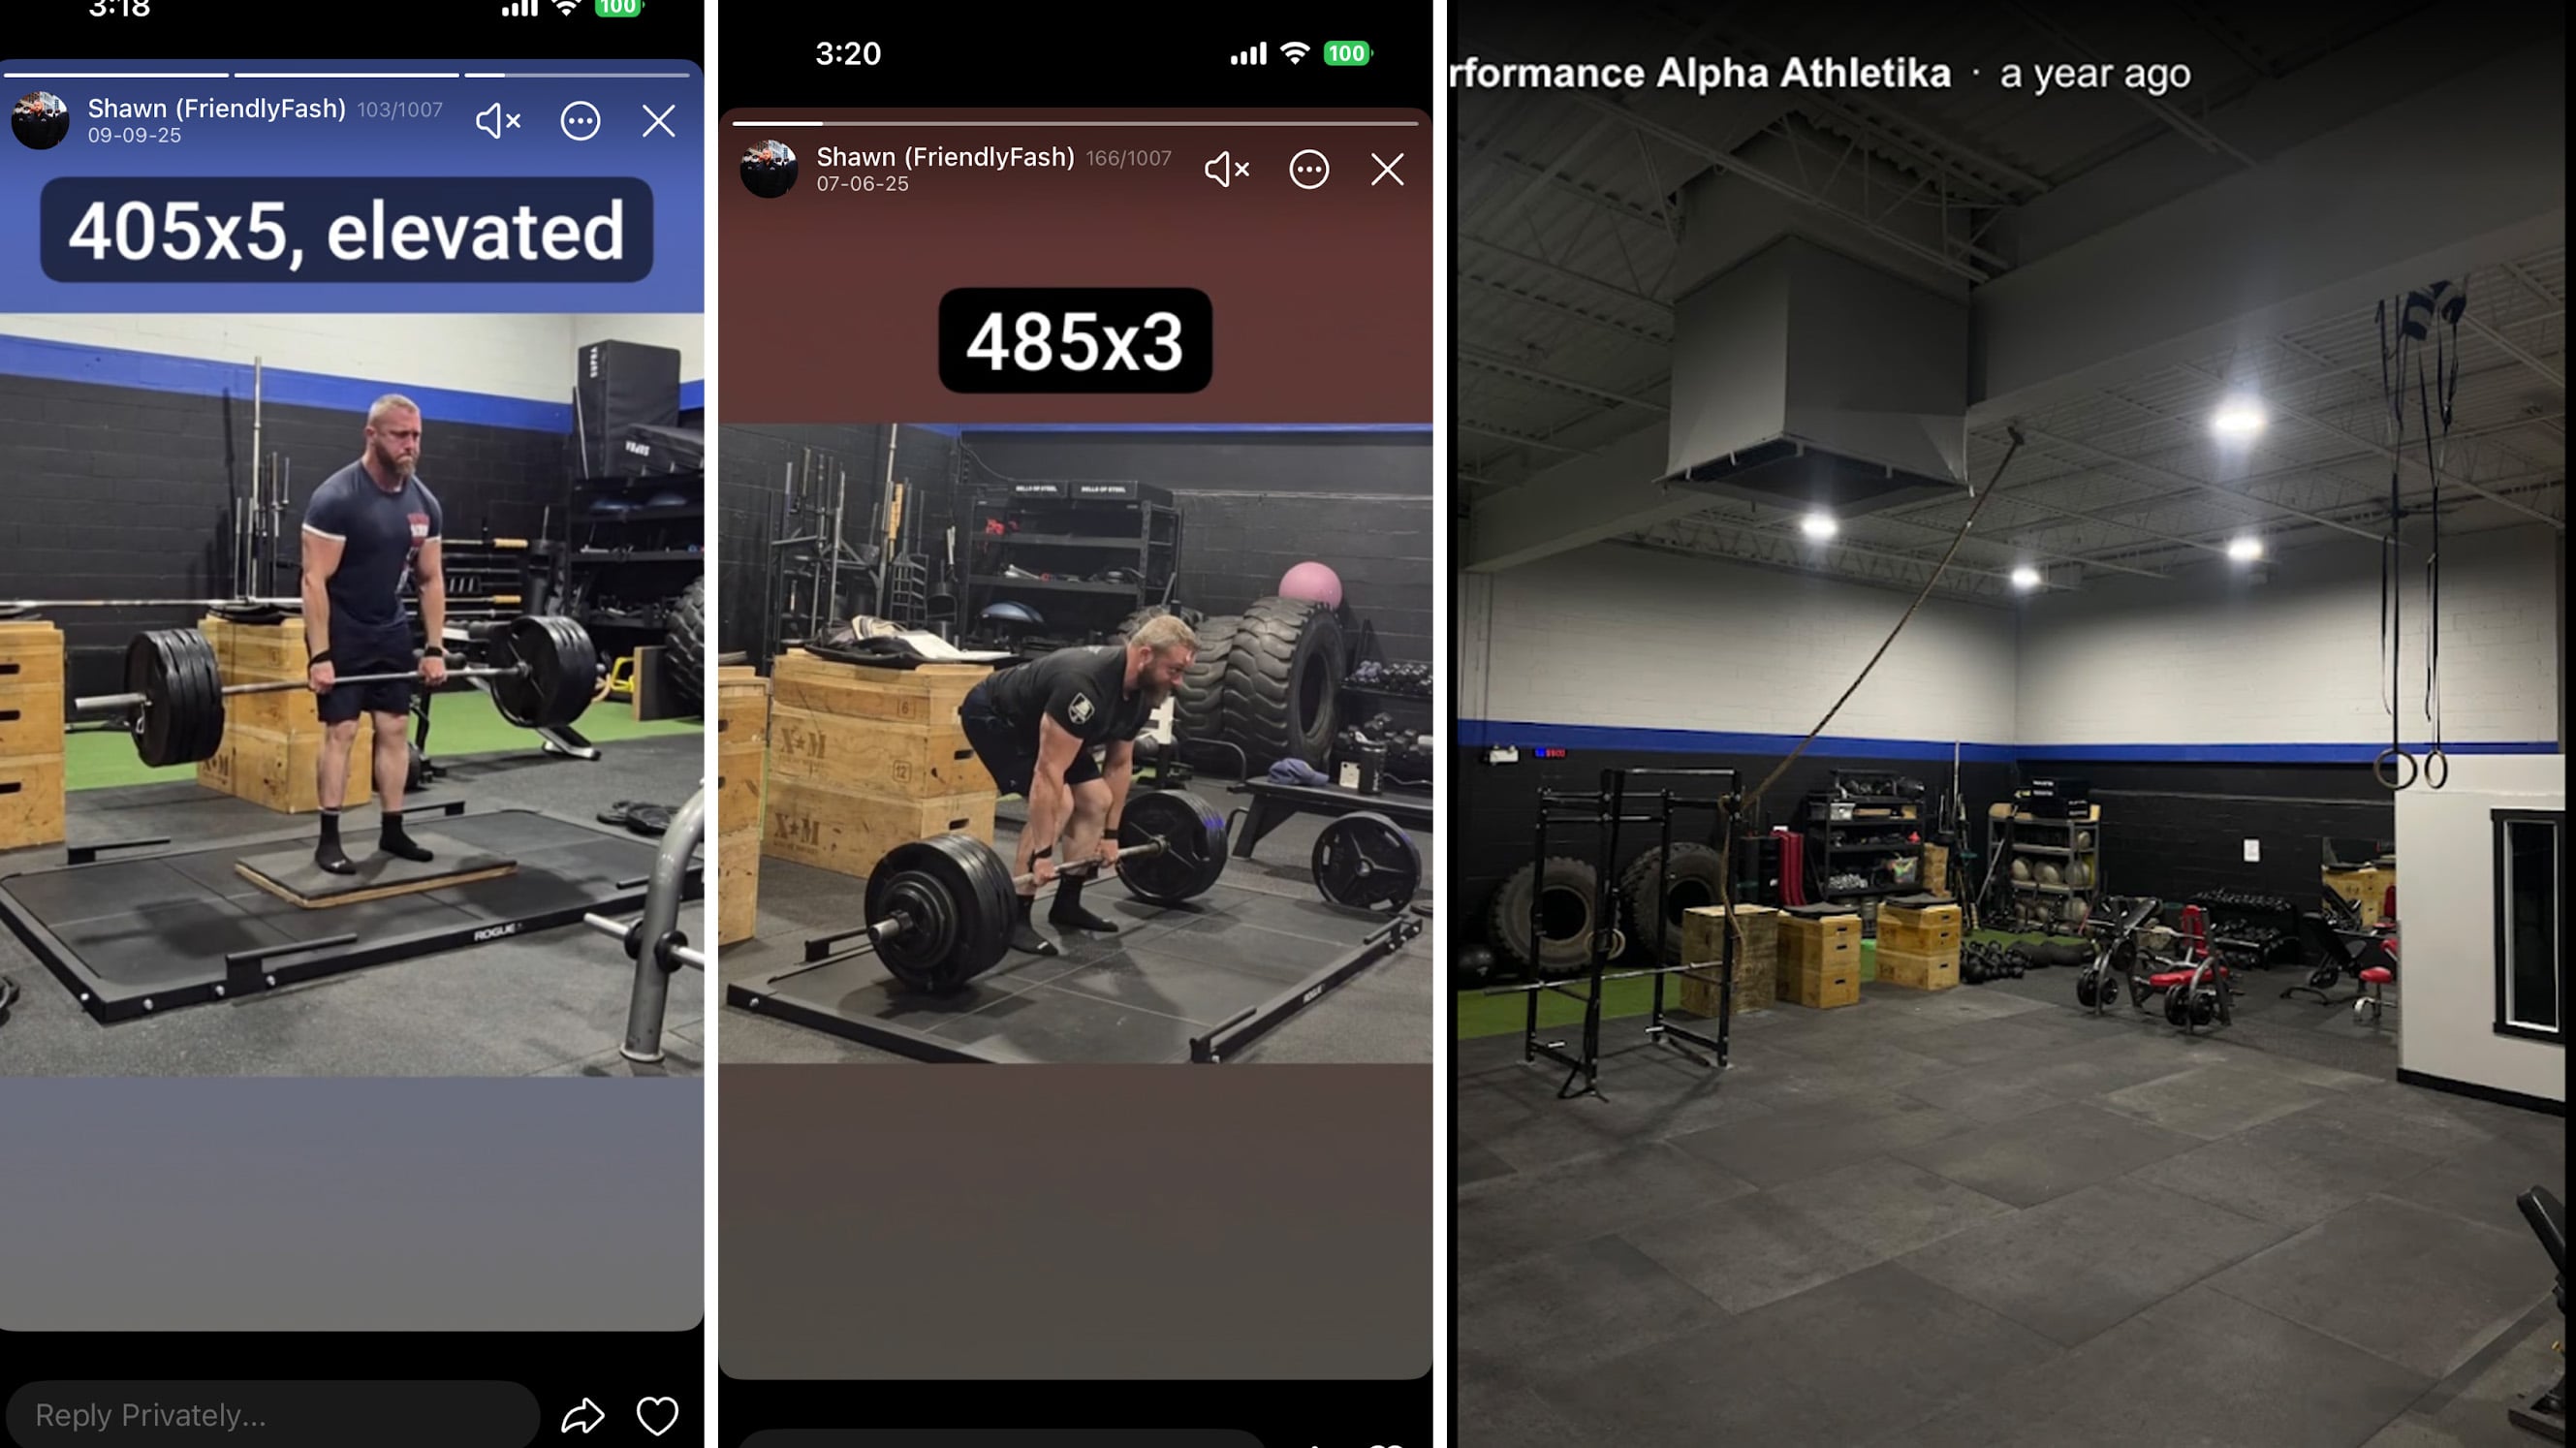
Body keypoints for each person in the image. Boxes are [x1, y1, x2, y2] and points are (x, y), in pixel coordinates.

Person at [956, 614, 1197, 956]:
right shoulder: (1084, 684)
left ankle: (1067, 904)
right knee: (1063, 803)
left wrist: (1111, 836)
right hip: (997, 717)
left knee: (1096, 800)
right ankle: (1015, 916)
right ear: (1144, 656)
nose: (1179, 682)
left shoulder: (1143, 694)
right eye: (1174, 670)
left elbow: (1119, 764)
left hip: (1050, 724)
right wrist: (1042, 854)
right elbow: (1048, 772)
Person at [299, 394, 446, 874]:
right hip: (342, 630)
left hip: (389, 627)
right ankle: (329, 838)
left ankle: (393, 827)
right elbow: (313, 580)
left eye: (416, 435)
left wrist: (434, 647)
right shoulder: (337, 498)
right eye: (400, 435)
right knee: (341, 731)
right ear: (371, 435)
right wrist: (320, 654)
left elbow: (430, 579)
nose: (411, 445)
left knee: (395, 728)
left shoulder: (424, 503)